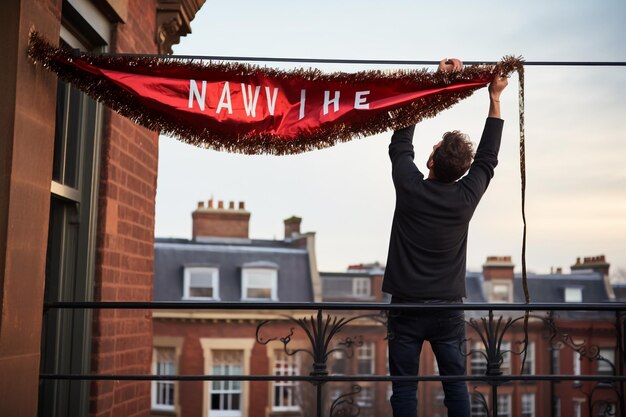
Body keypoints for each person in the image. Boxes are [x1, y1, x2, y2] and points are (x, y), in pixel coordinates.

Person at [384, 58, 509, 417]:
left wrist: (433, 84)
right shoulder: (465, 197)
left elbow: (400, 142)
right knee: (456, 387)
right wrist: (495, 97)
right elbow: (488, 158)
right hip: (448, 309)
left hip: (406, 306)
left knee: (404, 389)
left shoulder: (409, 186)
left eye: (436, 145)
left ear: (432, 160)